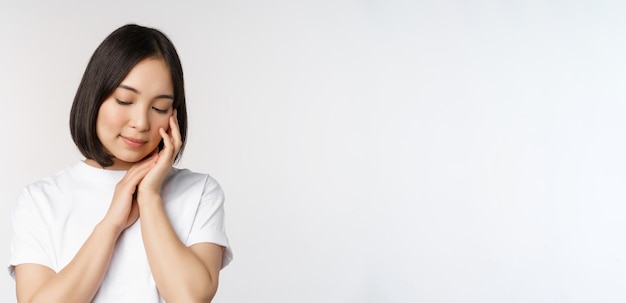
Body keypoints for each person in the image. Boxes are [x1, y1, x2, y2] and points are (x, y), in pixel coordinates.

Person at [8, 24, 233, 302]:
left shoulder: (199, 192)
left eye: (159, 108)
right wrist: (111, 224)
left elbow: (190, 298)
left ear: (174, 115)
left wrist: (149, 196)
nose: (141, 123)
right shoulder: (40, 200)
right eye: (125, 100)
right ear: (95, 97)